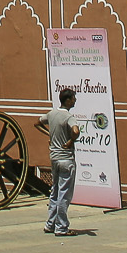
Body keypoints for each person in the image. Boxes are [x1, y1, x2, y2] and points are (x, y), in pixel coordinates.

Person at [34, 87, 83, 235]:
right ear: (67, 100)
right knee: (64, 194)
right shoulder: (69, 117)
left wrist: (49, 135)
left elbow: (37, 123)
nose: (75, 100)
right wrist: (70, 141)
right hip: (66, 159)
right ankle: (61, 227)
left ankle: (50, 224)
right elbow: (75, 131)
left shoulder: (51, 114)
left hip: (54, 158)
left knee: (54, 192)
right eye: (73, 98)